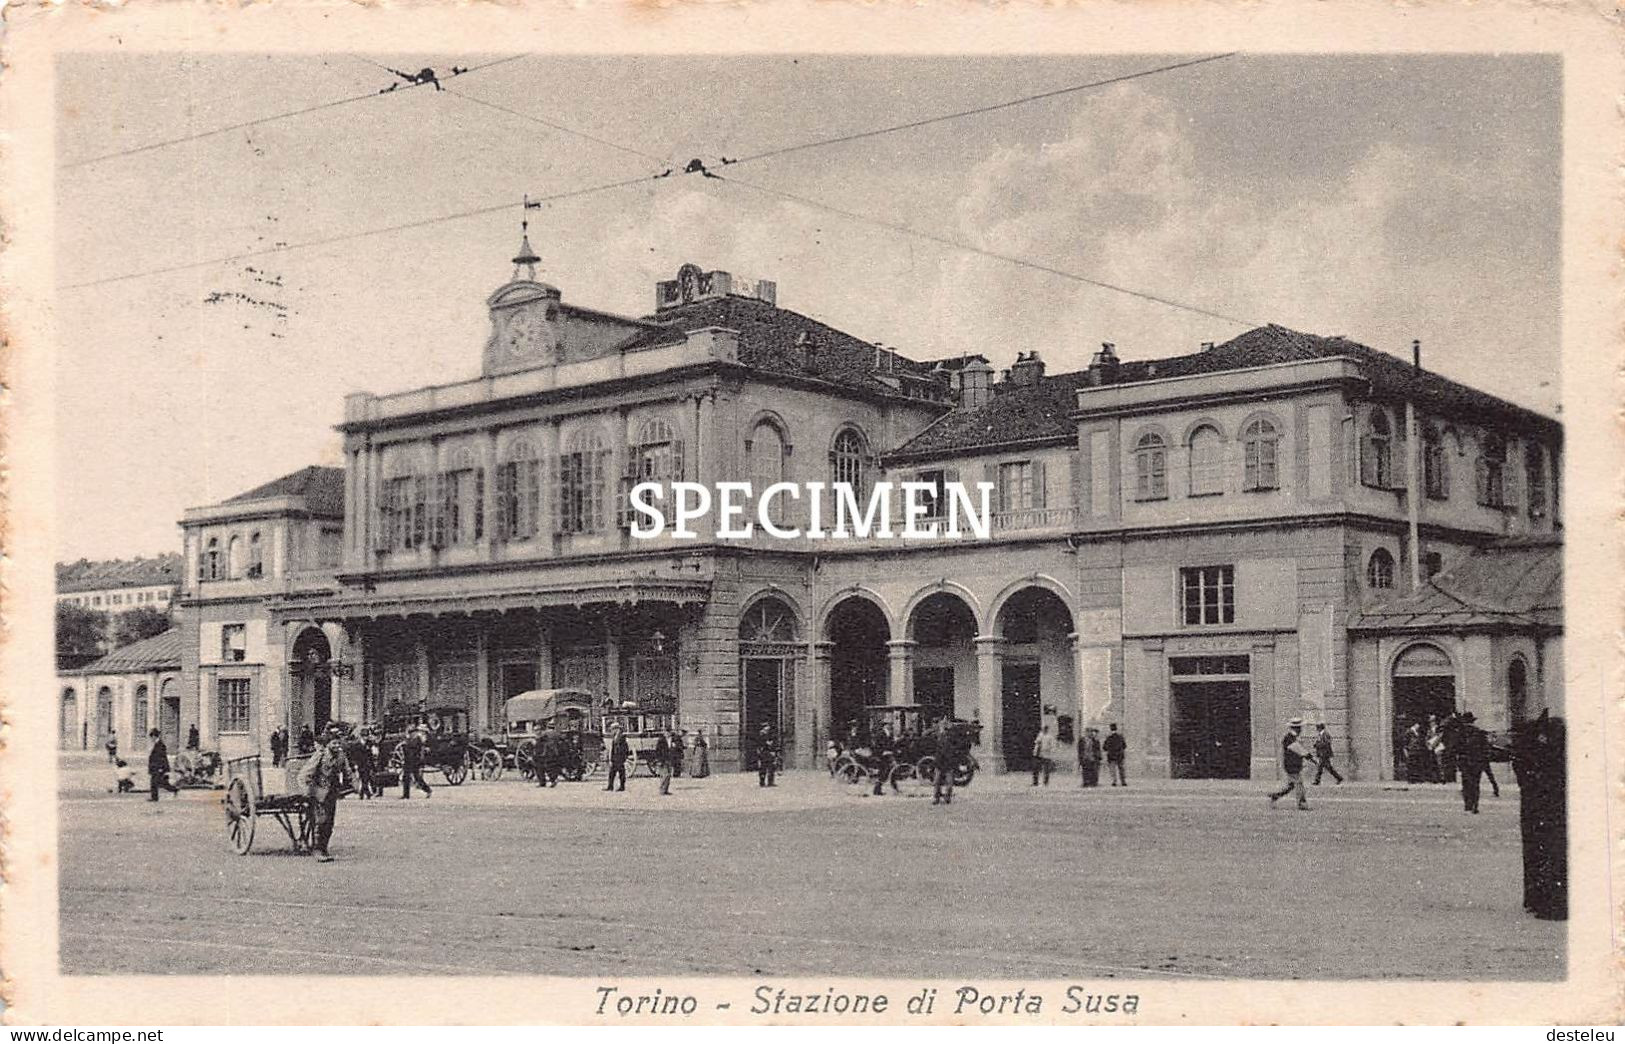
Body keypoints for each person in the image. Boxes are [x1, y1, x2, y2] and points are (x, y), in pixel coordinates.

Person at [298, 726, 351, 862]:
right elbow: (305, 774)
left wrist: (355, 784)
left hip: (332, 793)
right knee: (321, 821)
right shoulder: (320, 755)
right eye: (334, 743)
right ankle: (317, 850)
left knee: (330, 823)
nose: (337, 746)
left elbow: (348, 772)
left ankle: (324, 848)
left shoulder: (341, 756)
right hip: (319, 793)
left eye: (338, 743)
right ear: (328, 744)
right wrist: (309, 791)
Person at [1268, 718, 1314, 810]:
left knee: (1291, 785)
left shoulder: (1293, 738)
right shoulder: (1289, 738)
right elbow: (1299, 749)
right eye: (1299, 727)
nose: (1301, 729)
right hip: (1291, 765)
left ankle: (1275, 796)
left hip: (1294, 764)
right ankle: (1302, 804)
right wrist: (1310, 757)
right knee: (1299, 783)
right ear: (1296, 728)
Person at [1455, 712, 1492, 814]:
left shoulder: (1459, 733)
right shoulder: (1480, 732)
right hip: (1477, 761)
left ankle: (1468, 805)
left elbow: (1454, 748)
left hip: (1464, 761)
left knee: (1466, 783)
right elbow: (1485, 747)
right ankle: (1475, 805)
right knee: (1475, 784)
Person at [146, 728, 179, 801]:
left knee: (154, 782)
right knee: (161, 782)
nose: (151, 739)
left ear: (154, 736)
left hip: (158, 768)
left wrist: (161, 768)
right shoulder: (157, 744)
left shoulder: (160, 745)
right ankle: (174, 789)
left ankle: (155, 797)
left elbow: (162, 757)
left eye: (151, 737)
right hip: (155, 767)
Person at [400, 726, 432, 799]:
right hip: (408, 760)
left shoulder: (417, 739)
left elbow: (419, 750)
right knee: (407, 777)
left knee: (416, 778)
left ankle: (427, 790)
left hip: (414, 760)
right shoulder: (409, 739)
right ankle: (406, 795)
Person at [870, 721, 900, 796]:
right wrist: (883, 752)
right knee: (884, 773)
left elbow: (891, 745)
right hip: (881, 756)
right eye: (888, 725)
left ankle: (895, 788)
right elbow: (876, 746)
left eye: (891, 725)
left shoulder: (890, 734)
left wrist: (895, 750)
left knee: (891, 771)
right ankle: (877, 790)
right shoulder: (880, 734)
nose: (890, 726)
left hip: (888, 755)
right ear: (884, 726)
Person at [931, 718, 957, 806]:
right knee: (937, 781)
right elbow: (936, 750)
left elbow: (953, 750)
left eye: (945, 727)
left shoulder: (951, 738)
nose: (943, 729)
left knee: (949, 782)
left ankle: (947, 797)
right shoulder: (938, 737)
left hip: (948, 762)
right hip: (940, 762)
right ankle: (936, 797)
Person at [605, 726, 630, 792]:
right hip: (615, 758)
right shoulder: (615, 739)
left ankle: (620, 786)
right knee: (612, 773)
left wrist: (623, 757)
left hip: (619, 758)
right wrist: (611, 758)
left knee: (620, 773)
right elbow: (613, 749)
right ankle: (611, 786)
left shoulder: (622, 739)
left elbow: (625, 749)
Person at [654, 729, 674, 796]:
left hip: (668, 759)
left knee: (668, 775)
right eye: (667, 732)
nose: (668, 734)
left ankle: (666, 790)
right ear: (665, 732)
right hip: (662, 760)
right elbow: (658, 751)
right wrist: (659, 760)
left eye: (669, 732)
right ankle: (662, 790)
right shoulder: (661, 740)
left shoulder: (670, 740)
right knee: (664, 775)